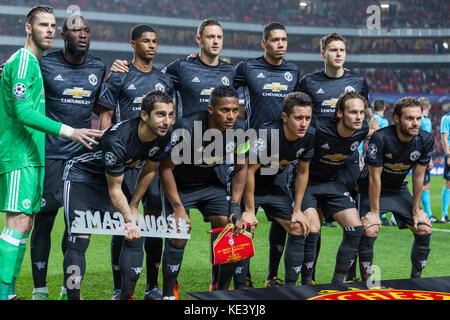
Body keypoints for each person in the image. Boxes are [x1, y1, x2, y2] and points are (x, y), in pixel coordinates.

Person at [0, 5, 102, 301]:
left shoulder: (32, 63)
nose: (48, 29)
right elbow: (23, 112)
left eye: (51, 25)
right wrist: (71, 131)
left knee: (25, 223)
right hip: (20, 155)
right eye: (42, 24)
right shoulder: (23, 61)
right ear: (28, 28)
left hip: (33, 157)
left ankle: (9, 292)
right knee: (18, 223)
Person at [62, 90, 175, 300]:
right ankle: (73, 297)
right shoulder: (118, 140)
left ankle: (125, 297)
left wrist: (133, 206)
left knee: (135, 234)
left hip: (114, 177)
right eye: (160, 114)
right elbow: (114, 189)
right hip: (83, 177)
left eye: (170, 114)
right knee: (78, 240)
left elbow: (149, 170)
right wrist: (128, 217)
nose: (166, 121)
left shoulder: (165, 135)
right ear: (144, 115)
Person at [29, 14, 106, 301]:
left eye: (86, 30)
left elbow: (102, 105)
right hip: (50, 156)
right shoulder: (44, 63)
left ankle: (68, 287)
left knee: (76, 226)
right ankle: (39, 288)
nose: (83, 34)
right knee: (44, 221)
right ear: (63, 35)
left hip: (81, 161)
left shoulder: (99, 66)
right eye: (76, 30)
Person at [98, 24, 174, 300]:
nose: (151, 46)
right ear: (133, 44)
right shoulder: (120, 75)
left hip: (151, 159)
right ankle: (120, 287)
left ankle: (152, 285)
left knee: (153, 221)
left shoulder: (164, 80)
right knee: (124, 222)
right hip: (126, 160)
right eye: (145, 41)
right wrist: (104, 143)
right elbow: (106, 115)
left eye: (155, 41)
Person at [295, 32, 376, 283]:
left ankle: (347, 279)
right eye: (333, 50)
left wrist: (372, 130)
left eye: (342, 50)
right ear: (323, 54)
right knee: (312, 226)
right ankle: (306, 280)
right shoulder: (308, 83)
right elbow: (299, 113)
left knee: (354, 224)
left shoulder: (357, 81)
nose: (338, 54)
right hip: (314, 158)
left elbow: (368, 114)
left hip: (346, 163)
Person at [158, 85, 249, 300]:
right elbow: (165, 168)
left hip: (211, 185)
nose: (231, 116)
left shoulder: (241, 130)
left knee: (229, 228)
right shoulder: (187, 127)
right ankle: (169, 291)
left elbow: (241, 168)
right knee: (179, 233)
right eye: (224, 110)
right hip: (181, 186)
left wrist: (236, 206)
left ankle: (220, 289)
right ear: (210, 109)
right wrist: (178, 208)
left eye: (235, 110)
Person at [357, 97, 434, 282]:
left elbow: (418, 176)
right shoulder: (381, 137)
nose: (415, 123)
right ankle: (367, 283)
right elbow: (374, 177)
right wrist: (375, 212)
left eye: (418, 118)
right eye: (410, 118)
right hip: (370, 189)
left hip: (398, 189)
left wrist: (416, 210)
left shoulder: (425, 140)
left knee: (424, 229)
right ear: (397, 119)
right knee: (370, 229)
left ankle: (415, 281)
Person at [242, 92, 314, 286]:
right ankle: (243, 279)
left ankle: (285, 286)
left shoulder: (309, 136)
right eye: (298, 118)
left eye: (307, 118)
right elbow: (248, 172)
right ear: (285, 117)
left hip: (273, 185)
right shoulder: (265, 135)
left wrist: (297, 209)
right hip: (247, 185)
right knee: (245, 227)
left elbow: (302, 172)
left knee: (298, 226)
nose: (304, 124)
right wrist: (249, 211)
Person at [300, 91, 372, 284]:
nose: (358, 117)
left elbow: (375, 132)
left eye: (361, 112)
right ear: (340, 113)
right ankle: (307, 284)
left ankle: (337, 283)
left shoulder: (362, 129)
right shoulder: (318, 129)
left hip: (332, 183)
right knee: (312, 230)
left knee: (355, 229)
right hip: (307, 183)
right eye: (353, 112)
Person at [111, 18, 235, 118]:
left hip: (220, 141)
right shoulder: (182, 67)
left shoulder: (231, 71)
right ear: (199, 39)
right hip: (188, 141)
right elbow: (151, 77)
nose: (215, 41)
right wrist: (123, 66)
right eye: (210, 37)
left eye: (219, 37)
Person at [416, 97, 441, 223]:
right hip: (423, 155)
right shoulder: (425, 121)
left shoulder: (418, 119)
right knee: (424, 185)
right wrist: (429, 158)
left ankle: (426, 212)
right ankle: (427, 214)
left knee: (422, 185)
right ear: (429, 106)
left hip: (416, 154)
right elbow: (426, 140)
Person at [371, 99, 392, 226]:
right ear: (383, 108)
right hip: (382, 156)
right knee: (381, 183)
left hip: (366, 153)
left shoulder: (370, 119)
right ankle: (382, 214)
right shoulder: (384, 122)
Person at [440, 109, 450, 223]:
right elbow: (444, 138)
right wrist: (448, 155)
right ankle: (444, 214)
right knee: (448, 183)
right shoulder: (447, 118)